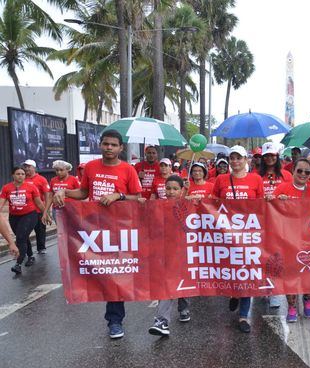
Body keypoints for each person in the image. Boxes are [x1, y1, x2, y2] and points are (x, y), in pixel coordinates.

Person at [53, 129, 143, 339]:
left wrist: (118, 195)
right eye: (105, 144)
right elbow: (83, 193)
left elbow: (137, 199)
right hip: (93, 228)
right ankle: (111, 314)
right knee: (99, 271)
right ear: (100, 145)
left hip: (119, 229)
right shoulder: (91, 167)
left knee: (115, 273)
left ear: (121, 148)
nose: (109, 148)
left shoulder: (128, 170)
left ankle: (115, 320)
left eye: (113, 145)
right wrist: (63, 192)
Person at [212, 145, 264, 333]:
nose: (235, 161)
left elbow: (262, 205)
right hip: (226, 234)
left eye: (239, 158)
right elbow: (212, 203)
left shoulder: (256, 179)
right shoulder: (221, 179)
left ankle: (243, 316)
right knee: (230, 267)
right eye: (232, 158)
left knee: (247, 271)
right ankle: (234, 293)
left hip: (249, 234)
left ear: (246, 160)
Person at [273, 158, 310, 322]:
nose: (303, 174)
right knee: (290, 274)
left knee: (308, 273)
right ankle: (292, 307)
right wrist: (274, 201)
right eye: (300, 171)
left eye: (307, 172)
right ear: (293, 171)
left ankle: (308, 300)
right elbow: (268, 209)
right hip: (287, 239)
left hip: (309, 240)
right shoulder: (282, 188)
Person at [148, 174, 191, 336]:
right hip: (164, 252)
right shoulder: (158, 205)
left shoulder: (188, 205)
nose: (171, 192)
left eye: (175, 189)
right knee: (167, 283)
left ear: (181, 191)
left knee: (183, 280)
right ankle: (162, 321)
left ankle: (184, 306)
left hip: (184, 250)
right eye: (168, 188)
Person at [1, 166, 45, 275]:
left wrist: (46, 213)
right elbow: (1, 203)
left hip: (30, 215)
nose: (20, 176)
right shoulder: (7, 188)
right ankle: (30, 256)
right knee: (23, 237)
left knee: (20, 238)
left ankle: (18, 264)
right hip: (14, 217)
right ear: (13, 175)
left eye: (22, 174)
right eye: (18, 174)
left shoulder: (31, 187)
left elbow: (39, 203)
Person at [22, 159, 50, 254]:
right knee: (24, 231)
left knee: (40, 230)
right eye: (25, 167)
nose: (26, 169)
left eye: (28, 167)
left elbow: (47, 195)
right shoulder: (22, 178)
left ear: (34, 167)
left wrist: (46, 210)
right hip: (26, 210)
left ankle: (41, 248)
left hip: (39, 209)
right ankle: (25, 250)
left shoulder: (41, 179)